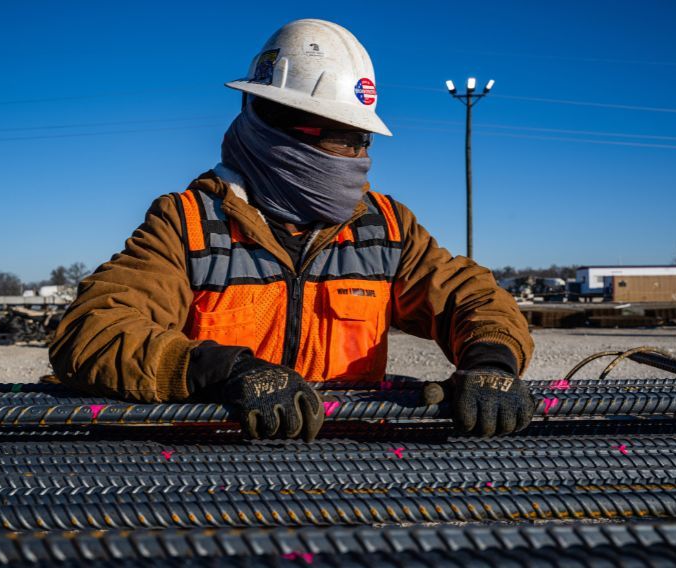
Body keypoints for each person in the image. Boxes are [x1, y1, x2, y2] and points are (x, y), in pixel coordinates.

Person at [49, 19, 535, 442]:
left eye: (359, 140)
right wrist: (224, 371)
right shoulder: (188, 225)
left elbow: (471, 298)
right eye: (338, 138)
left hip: (342, 469)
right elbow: (93, 332)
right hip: (210, 472)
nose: (353, 158)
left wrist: (491, 362)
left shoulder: (385, 227)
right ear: (276, 125)